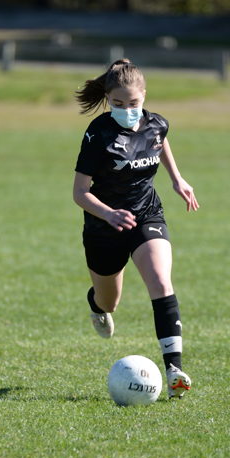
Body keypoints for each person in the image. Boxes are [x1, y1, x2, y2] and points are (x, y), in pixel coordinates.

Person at [73, 59, 199, 399]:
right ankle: (96, 305)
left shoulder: (156, 123)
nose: (127, 110)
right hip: (104, 225)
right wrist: (109, 214)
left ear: (144, 96)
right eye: (118, 103)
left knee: (160, 280)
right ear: (107, 99)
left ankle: (174, 370)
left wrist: (177, 179)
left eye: (133, 103)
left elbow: (160, 140)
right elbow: (79, 193)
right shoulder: (98, 134)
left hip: (147, 215)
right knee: (109, 301)